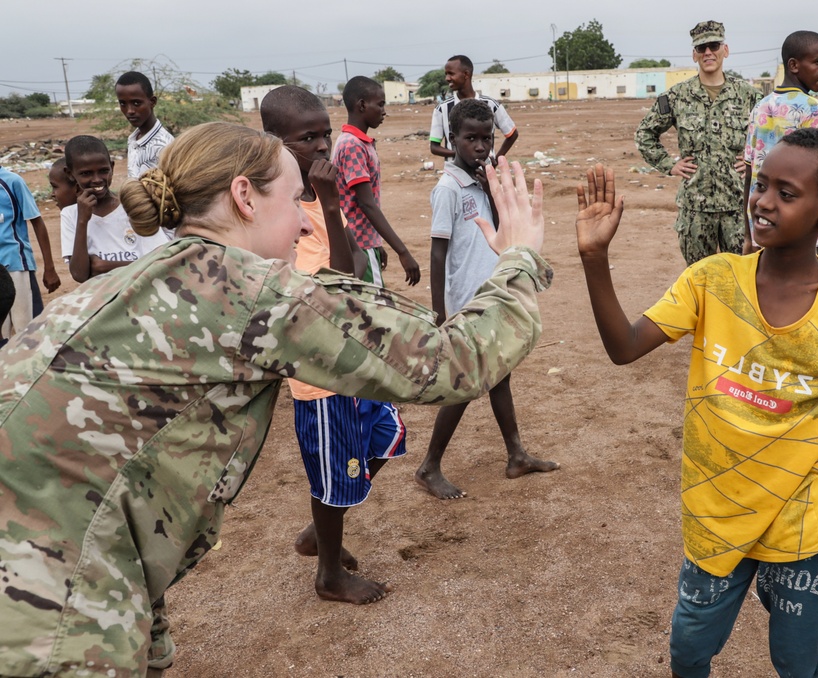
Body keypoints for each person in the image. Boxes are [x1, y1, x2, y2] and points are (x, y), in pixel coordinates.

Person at [0, 121, 551, 676]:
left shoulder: (132, 281)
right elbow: (454, 362)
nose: (301, 221)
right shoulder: (250, 293)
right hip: (43, 598)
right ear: (245, 197)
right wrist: (520, 256)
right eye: (295, 200)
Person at [574, 129, 818, 677]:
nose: (764, 201)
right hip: (715, 515)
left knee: (798, 663)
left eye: (786, 192)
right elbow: (624, 347)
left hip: (799, 526)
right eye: (760, 184)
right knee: (690, 651)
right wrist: (593, 258)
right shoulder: (713, 281)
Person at [260, 85, 408, 604]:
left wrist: (328, 203)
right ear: (276, 143)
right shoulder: (275, 212)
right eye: (308, 138)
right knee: (334, 470)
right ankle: (329, 574)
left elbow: (348, 273)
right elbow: (327, 287)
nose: (322, 146)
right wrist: (325, 200)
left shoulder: (320, 201)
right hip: (317, 377)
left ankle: (317, 531)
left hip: (352, 359)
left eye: (325, 134)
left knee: (387, 436)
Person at [415, 99, 559, 499]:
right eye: (470, 139)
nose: (480, 146)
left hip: (492, 293)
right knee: (465, 383)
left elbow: (500, 230)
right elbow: (438, 251)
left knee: (499, 375)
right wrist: (439, 311)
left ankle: (516, 455)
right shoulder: (447, 189)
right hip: (465, 303)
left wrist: (490, 188)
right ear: (453, 139)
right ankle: (429, 466)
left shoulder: (482, 182)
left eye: (486, 138)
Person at [634, 20, 761, 266]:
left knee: (743, 277)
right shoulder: (677, 96)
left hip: (737, 207)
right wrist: (669, 164)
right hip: (695, 209)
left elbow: (771, 138)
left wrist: (755, 163)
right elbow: (644, 133)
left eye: (714, 46)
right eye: (701, 48)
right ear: (694, 55)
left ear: (725, 50)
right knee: (698, 280)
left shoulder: (749, 96)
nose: (708, 53)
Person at [743, 30, 818, 273]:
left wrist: (748, 235)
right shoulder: (812, 108)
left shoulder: (760, 106)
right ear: (793, 65)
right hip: (803, 230)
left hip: (764, 226)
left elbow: (750, 176)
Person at [334, 75, 421, 286]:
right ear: (362, 105)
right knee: (372, 311)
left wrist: (376, 242)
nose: (384, 111)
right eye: (380, 104)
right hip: (358, 247)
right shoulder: (352, 145)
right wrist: (403, 252)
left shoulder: (357, 142)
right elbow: (366, 203)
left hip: (363, 243)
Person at [60, 135, 170, 282]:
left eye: (104, 171)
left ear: (112, 167)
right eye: (86, 173)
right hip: (101, 301)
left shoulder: (132, 206)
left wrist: (105, 266)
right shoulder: (70, 215)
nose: (97, 179)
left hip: (138, 295)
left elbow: (160, 261)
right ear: (70, 174)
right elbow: (79, 275)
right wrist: (82, 220)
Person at [0, 162, 60, 345]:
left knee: (25, 330)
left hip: (15, 263)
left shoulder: (12, 182)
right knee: (3, 335)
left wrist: (49, 267)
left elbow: (37, 221)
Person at [429, 55, 519, 161]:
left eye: (451, 74)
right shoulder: (442, 109)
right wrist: (460, 154)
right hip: (454, 173)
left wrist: (496, 159)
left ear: (466, 74)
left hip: (484, 172)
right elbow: (434, 147)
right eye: (446, 74)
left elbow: (512, 134)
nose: (447, 78)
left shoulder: (491, 104)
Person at [116, 70, 175, 179]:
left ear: (152, 102)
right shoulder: (133, 138)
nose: (129, 111)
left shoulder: (165, 146)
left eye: (136, 103)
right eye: (123, 103)